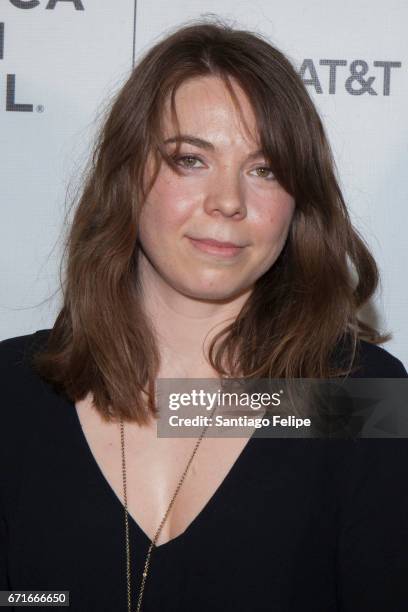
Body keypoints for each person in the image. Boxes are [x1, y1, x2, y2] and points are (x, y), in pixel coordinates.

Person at [1, 17, 407, 612]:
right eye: (191, 159)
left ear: (298, 205)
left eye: (265, 170)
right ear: (127, 174)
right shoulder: (14, 390)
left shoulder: (357, 399)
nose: (228, 201)